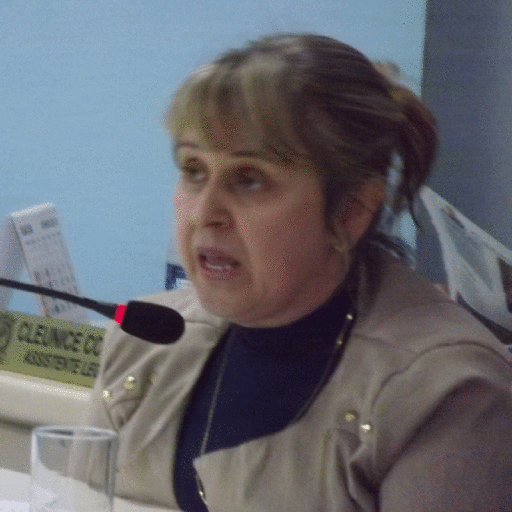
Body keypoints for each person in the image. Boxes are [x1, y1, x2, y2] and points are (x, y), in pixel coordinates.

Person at [88, 33, 512, 511]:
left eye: (249, 179)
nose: (205, 213)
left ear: (351, 211)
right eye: (194, 170)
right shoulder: (142, 344)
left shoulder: (446, 392)